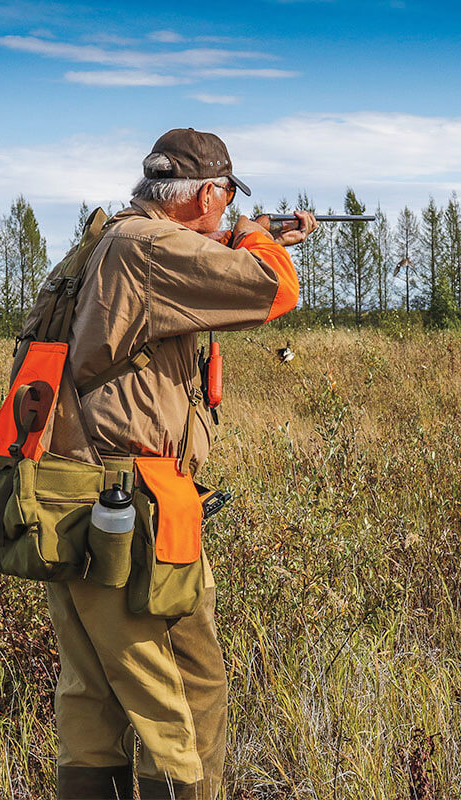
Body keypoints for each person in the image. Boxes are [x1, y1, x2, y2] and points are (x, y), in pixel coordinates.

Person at [46, 128, 317, 799]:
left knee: (93, 699)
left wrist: (242, 236)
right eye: (225, 199)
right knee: (184, 699)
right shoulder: (150, 247)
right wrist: (256, 238)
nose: (226, 211)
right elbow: (273, 291)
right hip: (134, 506)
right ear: (207, 193)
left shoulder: (114, 239)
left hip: (75, 496)